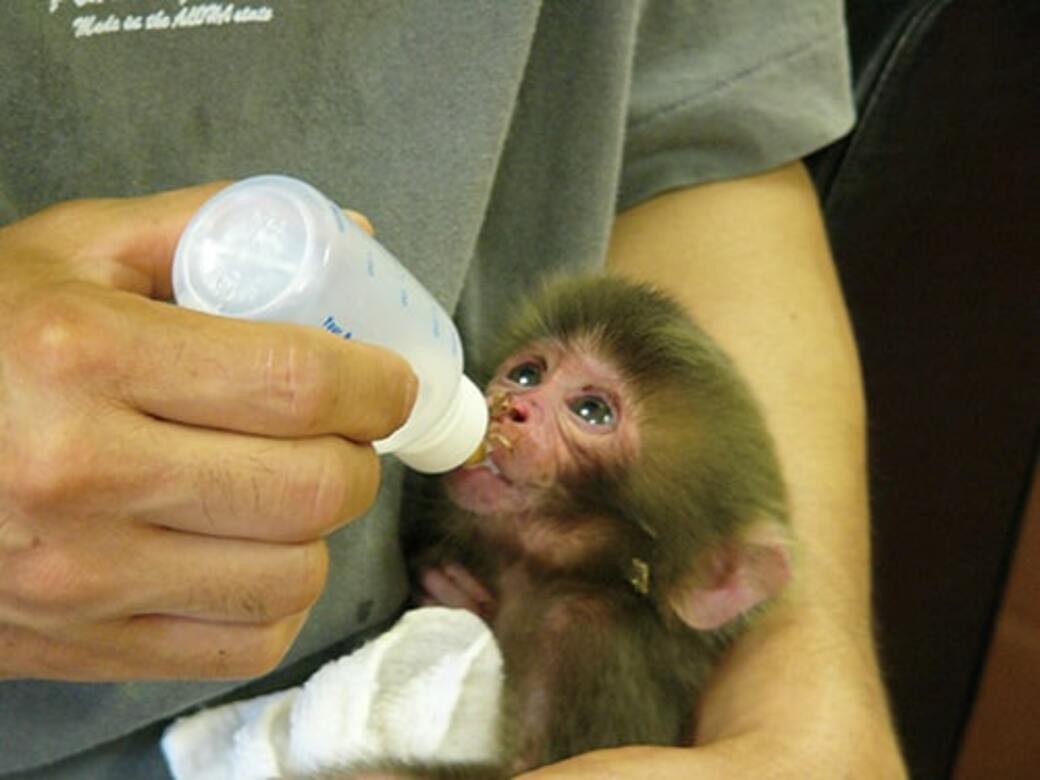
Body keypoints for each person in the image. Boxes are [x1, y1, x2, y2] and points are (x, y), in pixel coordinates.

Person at [0, 2, 906, 777]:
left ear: (714, 579)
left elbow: (703, 130)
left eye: (589, 411)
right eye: (529, 373)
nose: (512, 405)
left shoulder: (587, 624)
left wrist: (804, 723)